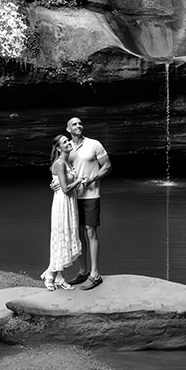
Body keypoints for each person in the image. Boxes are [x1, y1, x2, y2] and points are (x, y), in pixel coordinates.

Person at [63, 116, 111, 290]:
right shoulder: (66, 147)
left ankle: (95, 274)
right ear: (68, 129)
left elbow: (107, 166)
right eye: (74, 124)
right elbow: (59, 167)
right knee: (79, 233)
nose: (78, 126)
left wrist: (92, 179)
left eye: (80, 123)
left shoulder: (94, 144)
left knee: (90, 231)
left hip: (91, 195)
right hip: (72, 197)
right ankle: (83, 271)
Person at [42, 134, 81, 291]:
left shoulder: (67, 162)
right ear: (58, 148)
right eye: (64, 142)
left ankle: (58, 276)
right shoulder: (59, 163)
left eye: (68, 140)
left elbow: (64, 185)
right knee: (60, 236)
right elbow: (65, 189)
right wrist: (78, 180)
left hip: (70, 202)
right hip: (62, 203)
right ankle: (50, 274)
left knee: (66, 236)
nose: (68, 143)